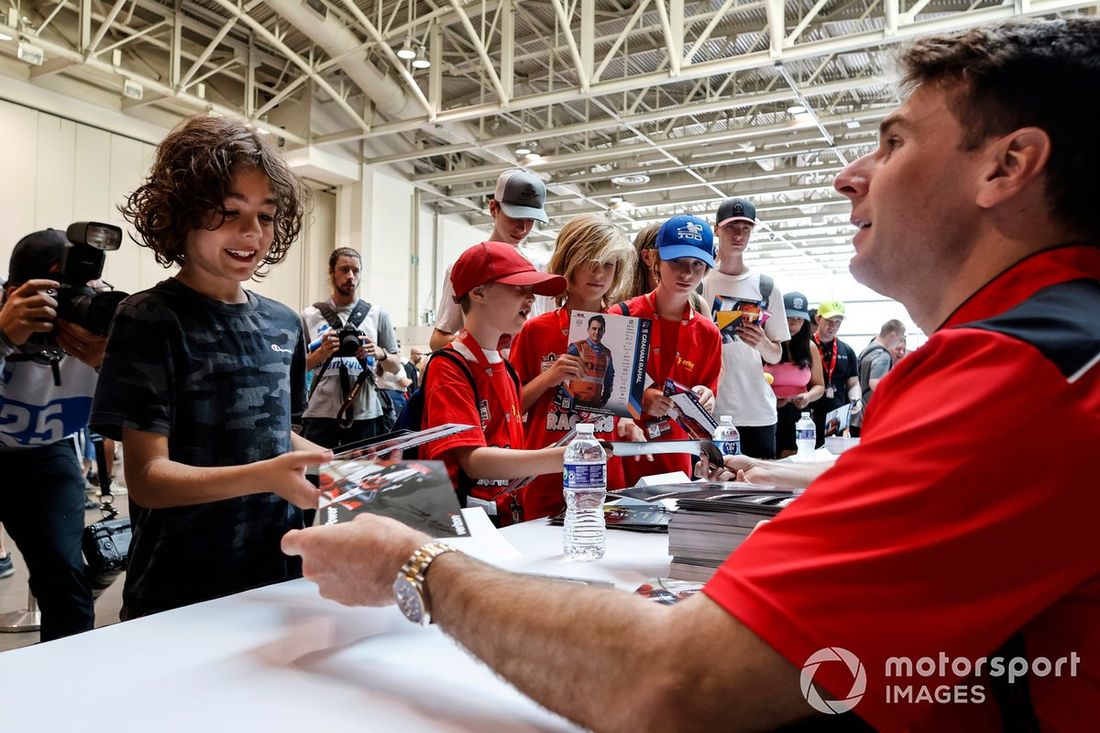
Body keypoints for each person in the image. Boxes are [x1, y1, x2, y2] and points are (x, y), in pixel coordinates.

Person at [283, 18, 1100, 731]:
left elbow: (675, 682)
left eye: (892, 142)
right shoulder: (1043, 349)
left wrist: (412, 564)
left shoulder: (1020, 369)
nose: (849, 174)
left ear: (1007, 166)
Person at [90, 116, 332, 620]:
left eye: (266, 216)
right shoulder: (149, 318)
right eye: (229, 212)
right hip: (179, 589)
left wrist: (339, 465)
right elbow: (148, 478)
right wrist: (267, 476)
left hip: (277, 578)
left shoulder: (285, 323)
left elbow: (272, 436)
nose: (251, 232)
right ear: (180, 215)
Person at [0, 230, 106, 639]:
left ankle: (67, 686)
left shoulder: (98, 323)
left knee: (65, 579)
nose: (67, 308)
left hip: (45, 453)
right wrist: (4, 335)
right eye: (53, 295)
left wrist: (107, 361)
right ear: (13, 292)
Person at [420, 241, 570, 524]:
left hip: (507, 520)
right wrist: (561, 458)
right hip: (465, 527)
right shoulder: (449, 367)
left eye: (531, 291)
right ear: (478, 293)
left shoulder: (508, 370)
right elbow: (473, 461)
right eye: (519, 289)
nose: (531, 300)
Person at [508, 214, 640, 518]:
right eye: (590, 262)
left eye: (609, 264)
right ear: (569, 260)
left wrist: (632, 420)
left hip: (607, 475)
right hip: (546, 474)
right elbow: (512, 408)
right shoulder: (535, 330)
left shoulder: (625, 333)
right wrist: (549, 378)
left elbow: (628, 408)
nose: (599, 273)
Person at [619, 214, 722, 479]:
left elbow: (707, 393)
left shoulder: (708, 333)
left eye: (697, 265)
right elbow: (599, 396)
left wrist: (705, 399)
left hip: (676, 461)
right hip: (622, 456)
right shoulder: (622, 317)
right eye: (676, 262)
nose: (687, 273)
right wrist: (639, 402)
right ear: (654, 259)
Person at [701, 197, 790, 459]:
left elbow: (776, 355)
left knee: (761, 491)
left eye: (745, 228)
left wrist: (761, 342)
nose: (739, 234)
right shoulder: (699, 282)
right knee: (711, 489)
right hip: (712, 409)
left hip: (757, 410)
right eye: (731, 227)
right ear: (717, 229)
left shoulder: (766, 286)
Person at [429, 169, 551, 351]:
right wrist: (483, 345)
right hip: (482, 374)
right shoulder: (463, 267)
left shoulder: (542, 269)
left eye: (530, 220)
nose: (522, 228)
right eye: (515, 216)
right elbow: (437, 339)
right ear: (494, 208)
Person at [301, 247, 401, 450]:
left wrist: (379, 353)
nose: (350, 276)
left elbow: (396, 366)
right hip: (320, 413)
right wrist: (322, 353)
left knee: (363, 477)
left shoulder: (377, 314)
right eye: (344, 269)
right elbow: (297, 367)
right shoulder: (310, 315)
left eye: (356, 271)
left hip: (366, 412)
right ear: (331, 272)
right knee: (316, 476)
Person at [764, 291, 825, 457]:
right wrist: (773, 400)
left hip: (798, 415)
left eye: (799, 319)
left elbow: (819, 386)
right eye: (789, 318)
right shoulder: (767, 344)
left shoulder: (810, 347)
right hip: (766, 412)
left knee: (791, 462)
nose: (793, 325)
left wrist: (807, 397)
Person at [809, 299, 860, 447]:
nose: (833, 326)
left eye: (838, 322)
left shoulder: (847, 350)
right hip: (809, 414)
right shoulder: (806, 345)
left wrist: (855, 398)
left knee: (832, 457)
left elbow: (853, 382)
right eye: (829, 321)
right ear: (818, 319)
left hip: (836, 418)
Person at [851, 319, 906, 436]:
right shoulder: (883, 355)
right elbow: (875, 383)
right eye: (900, 338)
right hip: (870, 417)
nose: (900, 341)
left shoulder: (868, 350)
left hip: (858, 416)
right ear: (892, 335)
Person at [563, 315, 615, 408]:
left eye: (600, 329)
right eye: (594, 328)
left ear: (604, 331)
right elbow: (561, 372)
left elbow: (609, 376)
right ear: (588, 329)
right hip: (575, 401)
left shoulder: (607, 353)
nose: (597, 332)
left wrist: (607, 396)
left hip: (595, 403)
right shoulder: (577, 347)